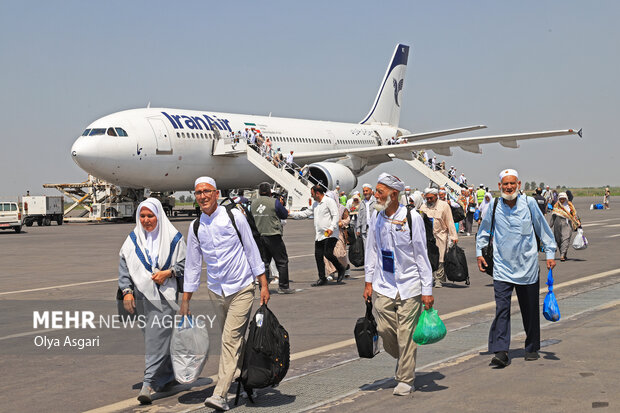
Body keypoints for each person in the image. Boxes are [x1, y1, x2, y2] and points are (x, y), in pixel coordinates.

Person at [181, 177, 269, 411]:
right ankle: (250, 378)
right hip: (216, 291)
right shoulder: (196, 226)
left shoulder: (234, 217)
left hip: (241, 287)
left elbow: (251, 248)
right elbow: (191, 264)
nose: (203, 196)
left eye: (207, 191)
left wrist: (263, 283)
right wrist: (186, 300)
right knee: (234, 340)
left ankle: (220, 395)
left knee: (230, 340)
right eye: (198, 192)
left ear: (217, 193)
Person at [476, 169, 557, 368]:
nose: (509, 187)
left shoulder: (528, 204)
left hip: (527, 266)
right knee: (502, 309)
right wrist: (479, 252)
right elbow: (484, 231)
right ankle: (501, 351)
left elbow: (543, 229)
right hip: (502, 267)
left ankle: (531, 347)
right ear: (500, 186)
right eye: (505, 184)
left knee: (529, 309)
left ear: (518, 184)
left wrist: (550, 254)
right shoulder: (494, 205)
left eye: (512, 183)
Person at [363, 173, 434, 396]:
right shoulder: (377, 217)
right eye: (376, 190)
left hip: (410, 285)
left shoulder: (413, 218)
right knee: (385, 329)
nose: (376, 195)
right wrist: (368, 281)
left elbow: (422, 255)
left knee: (407, 334)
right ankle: (403, 358)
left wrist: (427, 289)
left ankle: (405, 378)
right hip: (384, 284)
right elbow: (372, 250)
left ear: (393, 195)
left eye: (380, 192)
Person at [118, 198, 186, 404]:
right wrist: (127, 292)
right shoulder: (132, 239)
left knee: (154, 340)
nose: (146, 220)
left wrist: (169, 272)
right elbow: (124, 267)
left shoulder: (174, 238)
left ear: (159, 216)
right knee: (155, 338)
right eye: (143, 216)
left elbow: (186, 265)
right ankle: (167, 377)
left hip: (164, 298)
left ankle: (147, 384)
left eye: (150, 216)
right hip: (140, 298)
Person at [289, 184, 345, 286]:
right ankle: (322, 278)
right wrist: (290, 213)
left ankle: (341, 268)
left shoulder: (329, 201)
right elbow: (305, 213)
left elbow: (335, 215)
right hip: (320, 235)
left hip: (330, 234)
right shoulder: (315, 204)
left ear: (317, 193)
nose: (312, 196)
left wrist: (331, 228)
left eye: (312, 194)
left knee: (328, 253)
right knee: (318, 256)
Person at [253, 182, 296, 294]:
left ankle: (263, 286)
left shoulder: (253, 204)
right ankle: (283, 286)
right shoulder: (274, 202)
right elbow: (284, 215)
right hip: (273, 235)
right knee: (282, 261)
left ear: (259, 192)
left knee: (264, 262)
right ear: (269, 192)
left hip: (259, 236)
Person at [420, 187, 458, 288]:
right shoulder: (423, 207)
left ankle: (439, 279)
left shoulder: (444, 206)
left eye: (431, 198)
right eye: (427, 198)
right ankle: (430, 277)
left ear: (436, 197)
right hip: (427, 237)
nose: (429, 200)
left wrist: (453, 236)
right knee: (429, 258)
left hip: (441, 235)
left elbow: (449, 221)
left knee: (440, 258)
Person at [550, 192, 581, 262]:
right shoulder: (556, 206)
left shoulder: (570, 205)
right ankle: (563, 253)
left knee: (566, 238)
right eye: (561, 199)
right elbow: (553, 217)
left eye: (563, 199)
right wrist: (549, 226)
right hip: (557, 224)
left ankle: (562, 255)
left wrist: (578, 223)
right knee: (558, 240)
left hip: (567, 224)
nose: (562, 200)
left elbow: (574, 214)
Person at [324, 202, 351, 280]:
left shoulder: (342, 208)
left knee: (340, 253)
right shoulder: (325, 208)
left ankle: (345, 266)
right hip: (328, 233)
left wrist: (341, 223)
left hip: (338, 233)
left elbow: (347, 219)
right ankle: (331, 272)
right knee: (327, 253)